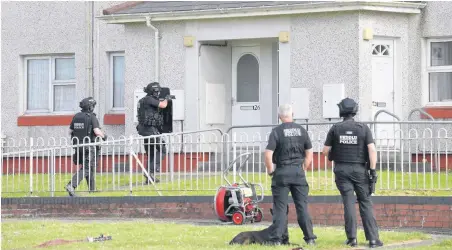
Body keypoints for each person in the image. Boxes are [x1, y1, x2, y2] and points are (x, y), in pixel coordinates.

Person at [322, 97, 383, 248]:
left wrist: (333, 154)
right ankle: (373, 240)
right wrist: (372, 171)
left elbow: (325, 151)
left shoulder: (335, 128)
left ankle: (352, 239)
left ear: (341, 110)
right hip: (359, 170)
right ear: (355, 110)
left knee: (348, 203)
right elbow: (372, 150)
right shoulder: (363, 128)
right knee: (365, 202)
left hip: (341, 170)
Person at [264, 104, 317, 246]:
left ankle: (276, 240)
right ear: (293, 114)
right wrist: (304, 166)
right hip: (298, 172)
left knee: (280, 207)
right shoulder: (301, 130)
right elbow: (309, 151)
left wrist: (270, 170)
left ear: (279, 116)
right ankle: (310, 238)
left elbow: (268, 154)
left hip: (281, 172)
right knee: (302, 206)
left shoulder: (276, 132)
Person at [65, 97, 106, 197]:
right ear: (90, 107)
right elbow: (96, 131)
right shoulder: (91, 117)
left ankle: (92, 190)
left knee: (89, 168)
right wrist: (104, 136)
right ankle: (71, 185)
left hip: (78, 146)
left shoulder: (76, 116)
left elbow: (69, 131)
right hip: (89, 147)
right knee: (87, 169)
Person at [136, 82, 168, 184]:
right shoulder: (149, 99)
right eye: (157, 91)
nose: (158, 93)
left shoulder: (142, 100)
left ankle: (149, 178)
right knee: (162, 149)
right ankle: (151, 171)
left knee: (150, 154)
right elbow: (163, 105)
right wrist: (167, 98)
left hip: (144, 130)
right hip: (150, 130)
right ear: (153, 91)